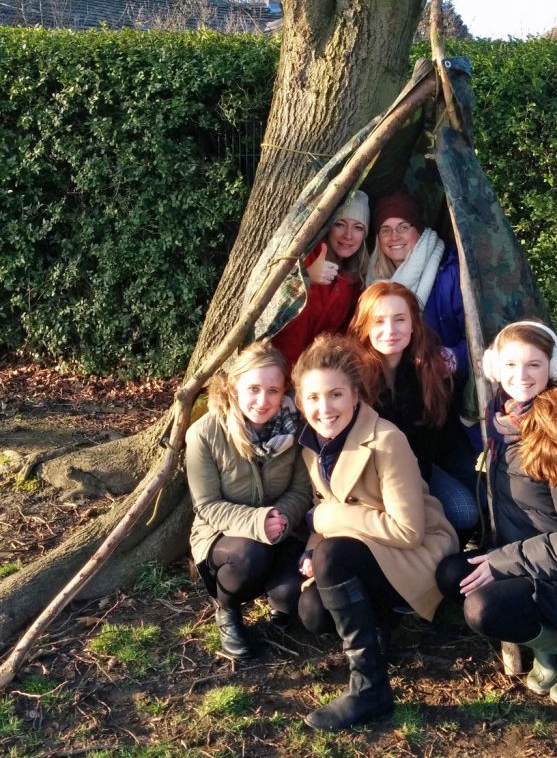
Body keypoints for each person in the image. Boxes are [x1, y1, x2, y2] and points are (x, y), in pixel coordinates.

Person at [436, 321, 557, 706]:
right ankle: (547, 644)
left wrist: (501, 563)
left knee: (483, 608)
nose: (520, 376)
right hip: (534, 561)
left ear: (554, 368)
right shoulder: (504, 419)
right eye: (510, 365)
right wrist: (496, 555)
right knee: (451, 575)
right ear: (495, 368)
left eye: (533, 365)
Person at [292, 333, 459, 731]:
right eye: (312, 398)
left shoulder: (386, 440)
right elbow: (329, 506)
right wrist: (311, 549)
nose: (324, 407)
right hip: (367, 547)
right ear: (300, 401)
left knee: (334, 557)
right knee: (313, 612)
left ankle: (370, 687)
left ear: (355, 395)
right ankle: (381, 622)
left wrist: (325, 526)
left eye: (335, 395)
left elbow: (407, 530)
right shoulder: (312, 444)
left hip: (417, 551)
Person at [185, 343, 312, 659]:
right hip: (224, 538)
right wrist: (257, 522)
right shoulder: (204, 433)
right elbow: (207, 504)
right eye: (253, 388)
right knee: (248, 557)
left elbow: (301, 491)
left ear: (284, 391)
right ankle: (227, 609)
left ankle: (275, 600)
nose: (262, 400)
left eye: (272, 390)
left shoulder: (297, 429)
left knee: (290, 598)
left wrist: (281, 517)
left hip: (283, 530)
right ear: (234, 387)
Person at [347, 281, 479, 534]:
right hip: (367, 475)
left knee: (466, 510)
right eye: (378, 321)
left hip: (418, 470)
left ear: (413, 325)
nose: (390, 330)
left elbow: (442, 432)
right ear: (364, 325)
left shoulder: (427, 368)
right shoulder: (352, 374)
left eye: (400, 319)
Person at [366, 189, 467, 378]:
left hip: (442, 383)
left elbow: (479, 338)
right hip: (391, 380)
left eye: (403, 227)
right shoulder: (372, 279)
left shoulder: (449, 272)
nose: (394, 236)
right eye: (385, 230)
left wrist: (453, 357)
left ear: (418, 230)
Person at [272, 190, 370, 372]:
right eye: (340, 224)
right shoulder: (306, 256)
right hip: (279, 370)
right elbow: (269, 302)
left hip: (314, 377)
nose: (348, 235)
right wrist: (306, 277)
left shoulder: (357, 279)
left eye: (358, 227)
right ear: (328, 227)